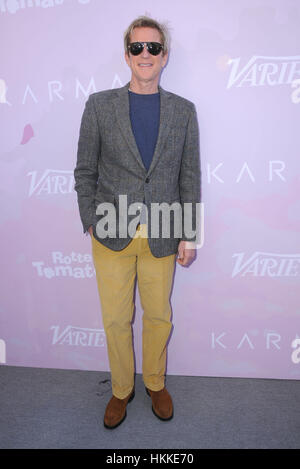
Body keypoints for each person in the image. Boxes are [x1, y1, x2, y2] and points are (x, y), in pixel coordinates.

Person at [74, 16, 201, 429]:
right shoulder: (99, 105)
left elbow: (189, 176)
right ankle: (121, 390)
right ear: (126, 54)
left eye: (153, 48)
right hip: (111, 232)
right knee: (115, 319)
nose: (144, 55)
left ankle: (155, 382)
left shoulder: (184, 111)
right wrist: (90, 219)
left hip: (163, 233)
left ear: (165, 56)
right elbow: (84, 171)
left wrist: (190, 234)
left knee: (158, 316)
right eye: (136, 48)